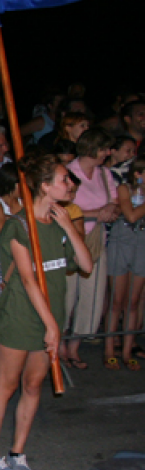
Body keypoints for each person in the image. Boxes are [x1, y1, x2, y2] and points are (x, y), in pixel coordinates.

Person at [0, 154, 92, 470]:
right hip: (20, 315)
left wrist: (69, 227)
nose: (70, 185)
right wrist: (52, 327)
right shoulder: (18, 225)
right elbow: (28, 280)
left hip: (50, 314)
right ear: (44, 187)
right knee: (7, 383)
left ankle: (18, 452)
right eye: (63, 180)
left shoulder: (58, 224)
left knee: (33, 385)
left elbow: (85, 265)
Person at [61, 128, 120, 369]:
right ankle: (60, 341)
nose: (108, 153)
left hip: (96, 241)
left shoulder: (104, 174)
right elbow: (61, 207)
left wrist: (110, 211)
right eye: (105, 148)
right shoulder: (67, 172)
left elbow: (115, 203)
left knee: (93, 296)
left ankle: (75, 345)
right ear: (93, 148)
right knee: (65, 295)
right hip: (68, 241)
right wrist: (98, 213)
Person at [104, 158, 145, 369]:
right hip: (122, 243)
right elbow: (130, 215)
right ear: (139, 173)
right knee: (117, 301)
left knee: (134, 301)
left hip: (142, 244)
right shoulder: (124, 188)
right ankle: (110, 349)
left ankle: (128, 350)